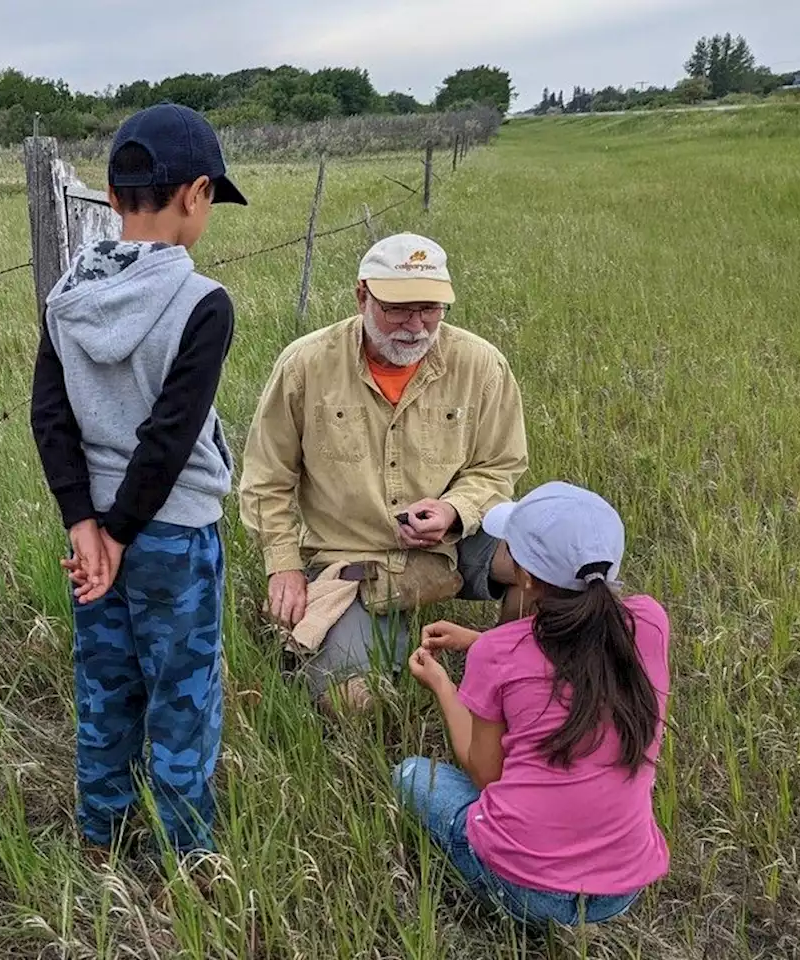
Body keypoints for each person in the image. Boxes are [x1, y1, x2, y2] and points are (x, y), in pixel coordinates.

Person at [29, 102, 247, 858]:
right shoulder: (202, 304)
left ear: (117, 196)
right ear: (195, 193)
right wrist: (123, 532)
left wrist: (86, 525)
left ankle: (102, 832)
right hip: (174, 536)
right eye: (212, 196)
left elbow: (50, 418)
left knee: (106, 687)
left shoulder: (66, 298)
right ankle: (183, 854)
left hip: (93, 537)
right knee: (182, 699)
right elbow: (169, 439)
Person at [237, 233, 528, 713]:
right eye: (398, 309)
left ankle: (514, 675)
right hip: (353, 560)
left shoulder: (482, 366)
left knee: (545, 560)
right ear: (361, 296)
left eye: (430, 309)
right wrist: (284, 566)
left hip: (453, 543)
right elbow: (267, 477)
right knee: (349, 703)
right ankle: (355, 645)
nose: (415, 326)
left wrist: (455, 510)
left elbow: (499, 466)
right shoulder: (305, 365)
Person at [398, 481, 671, 928]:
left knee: (410, 775)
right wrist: (480, 642)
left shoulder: (501, 654)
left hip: (525, 889)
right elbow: (569, 655)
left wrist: (444, 685)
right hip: (622, 891)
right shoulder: (649, 623)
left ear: (524, 576)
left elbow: (485, 773)